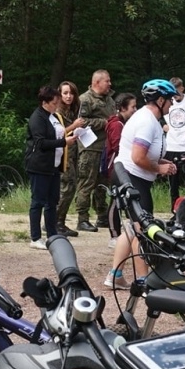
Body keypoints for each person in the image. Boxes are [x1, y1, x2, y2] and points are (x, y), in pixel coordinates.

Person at [105, 79, 179, 289]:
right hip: (132, 177)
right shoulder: (147, 122)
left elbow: (141, 152)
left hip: (130, 175)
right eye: (170, 100)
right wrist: (159, 168)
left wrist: (161, 161)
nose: (172, 105)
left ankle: (115, 275)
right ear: (161, 100)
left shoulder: (147, 118)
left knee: (130, 229)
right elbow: (138, 157)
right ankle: (144, 281)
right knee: (142, 231)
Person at [25, 84, 82, 248]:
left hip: (54, 166)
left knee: (52, 201)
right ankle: (35, 238)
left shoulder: (54, 117)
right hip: (39, 165)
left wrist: (72, 135)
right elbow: (41, 142)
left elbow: (61, 132)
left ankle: (52, 234)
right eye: (54, 101)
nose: (57, 104)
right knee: (38, 201)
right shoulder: (37, 118)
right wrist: (64, 142)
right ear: (45, 102)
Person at [64, 69, 114, 232]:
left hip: (105, 148)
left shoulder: (109, 100)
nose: (110, 84)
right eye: (107, 81)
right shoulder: (85, 99)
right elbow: (82, 121)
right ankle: (82, 218)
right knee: (86, 182)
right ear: (97, 82)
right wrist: (104, 123)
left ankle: (102, 215)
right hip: (90, 147)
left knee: (102, 183)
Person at [101, 92, 137, 243]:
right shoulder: (116, 124)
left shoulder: (122, 123)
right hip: (116, 167)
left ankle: (130, 231)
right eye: (133, 107)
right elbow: (118, 146)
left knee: (125, 199)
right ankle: (114, 236)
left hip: (122, 166)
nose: (135, 110)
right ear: (122, 108)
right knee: (116, 200)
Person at [53, 80, 82, 235]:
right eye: (65, 93)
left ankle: (59, 220)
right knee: (66, 188)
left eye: (71, 93)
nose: (69, 96)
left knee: (70, 187)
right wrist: (74, 126)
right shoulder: (57, 111)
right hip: (62, 155)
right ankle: (56, 222)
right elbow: (57, 132)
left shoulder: (74, 110)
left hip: (73, 154)